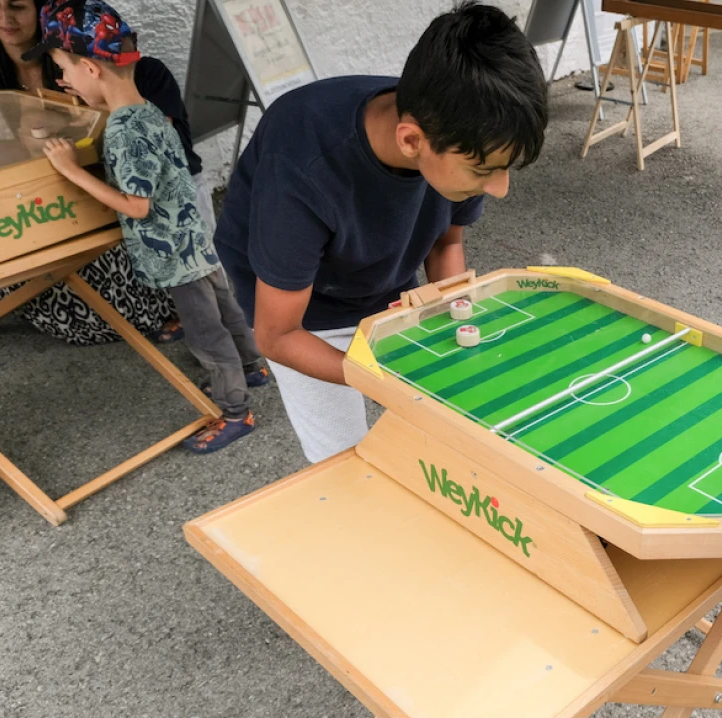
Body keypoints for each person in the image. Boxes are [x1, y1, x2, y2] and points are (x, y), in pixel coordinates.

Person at [214, 1, 547, 463]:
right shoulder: (303, 167)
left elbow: (445, 240)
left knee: (433, 421)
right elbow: (278, 335)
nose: (500, 187)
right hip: (300, 308)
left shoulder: (467, 129)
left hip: (381, 274)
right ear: (412, 141)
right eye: (484, 171)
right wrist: (380, 379)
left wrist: (455, 315)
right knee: (344, 458)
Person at [32, 0, 264, 453]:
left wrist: (71, 171)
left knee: (206, 333)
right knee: (227, 308)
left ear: (92, 70)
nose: (62, 81)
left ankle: (235, 412)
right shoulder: (150, 110)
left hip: (174, 253)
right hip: (194, 238)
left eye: (65, 69)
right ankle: (253, 367)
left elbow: (137, 207)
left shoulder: (123, 131)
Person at [0, 0, 177, 345]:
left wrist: (78, 136)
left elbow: (146, 169)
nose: (4, 18)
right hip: (36, 191)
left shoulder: (118, 80)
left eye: (18, 7)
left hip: (96, 198)